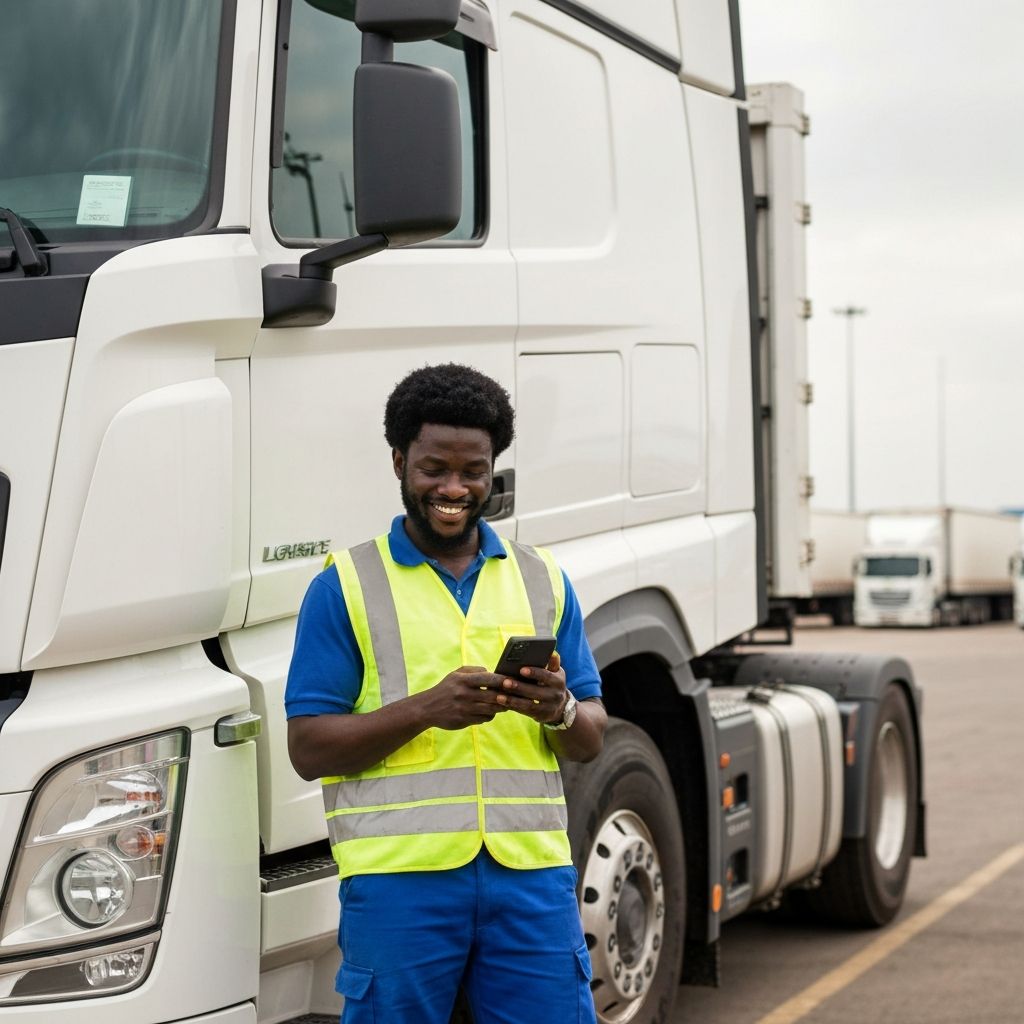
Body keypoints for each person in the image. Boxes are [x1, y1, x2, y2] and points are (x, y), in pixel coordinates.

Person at [285, 363, 607, 1024]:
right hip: (400, 883)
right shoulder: (345, 583)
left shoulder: (542, 578)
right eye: (435, 468)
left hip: (532, 877)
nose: (455, 488)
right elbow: (309, 748)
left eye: (475, 470)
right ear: (400, 462)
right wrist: (428, 709)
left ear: (494, 471)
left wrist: (560, 708)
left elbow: (592, 734)